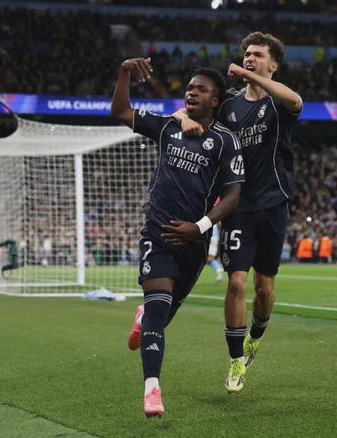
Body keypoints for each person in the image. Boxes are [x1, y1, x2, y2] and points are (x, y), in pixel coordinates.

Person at [110, 57, 244, 417]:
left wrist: (199, 227)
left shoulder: (225, 141)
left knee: (162, 315)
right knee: (158, 306)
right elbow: (121, 111)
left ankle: (143, 318)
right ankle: (152, 389)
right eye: (189, 88)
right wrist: (124, 73)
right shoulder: (169, 126)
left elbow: (233, 196)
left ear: (215, 100)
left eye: (201, 89)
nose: (192, 93)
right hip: (157, 232)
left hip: (194, 242)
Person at [176, 32, 302, 393]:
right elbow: (187, 110)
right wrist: (183, 118)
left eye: (257, 54)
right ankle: (236, 361)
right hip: (237, 206)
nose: (249, 58)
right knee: (236, 283)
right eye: (247, 53)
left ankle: (255, 340)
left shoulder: (278, 103)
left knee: (265, 290)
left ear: (273, 65)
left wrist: (249, 77)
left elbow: (296, 100)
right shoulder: (229, 103)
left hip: (274, 204)